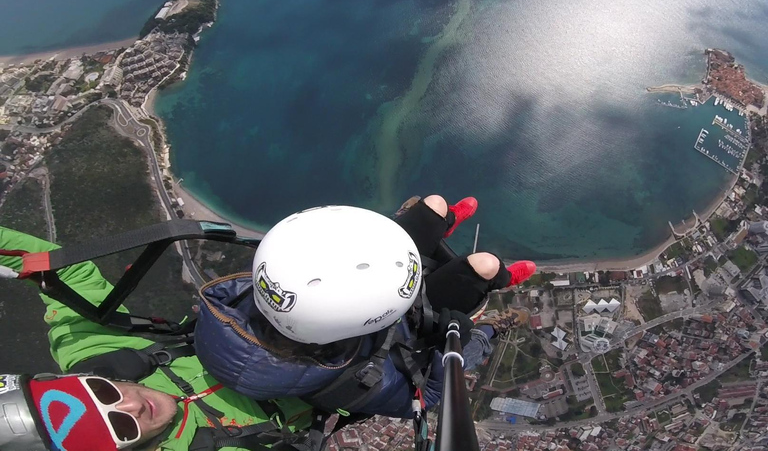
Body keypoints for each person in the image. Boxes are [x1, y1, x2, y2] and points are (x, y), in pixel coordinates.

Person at [194, 195, 536, 419]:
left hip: (378, 302)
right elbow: (427, 397)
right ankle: (497, 295)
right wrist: (449, 347)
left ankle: (439, 224)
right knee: (485, 266)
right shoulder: (356, 380)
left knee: (433, 206)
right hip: (409, 330)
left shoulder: (231, 301)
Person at [0, 226, 313, 451]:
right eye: (121, 428)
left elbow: (62, 273)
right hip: (331, 394)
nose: (133, 404)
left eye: (101, 391)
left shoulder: (94, 351)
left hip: (276, 331)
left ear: (82, 378)